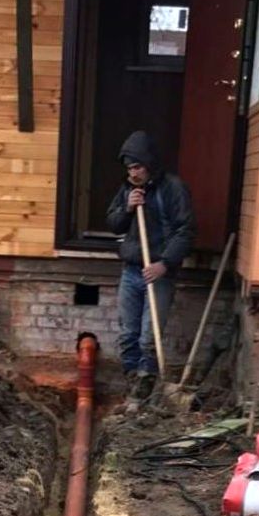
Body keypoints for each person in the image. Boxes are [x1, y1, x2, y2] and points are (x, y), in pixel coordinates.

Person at [105, 131, 195, 402]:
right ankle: (132, 385)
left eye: (137, 167)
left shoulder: (173, 189)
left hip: (158, 274)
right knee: (128, 336)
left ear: (149, 164)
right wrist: (127, 209)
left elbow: (185, 231)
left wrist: (164, 264)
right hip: (131, 270)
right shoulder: (128, 190)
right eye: (129, 169)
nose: (133, 173)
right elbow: (113, 224)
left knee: (148, 337)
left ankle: (145, 392)